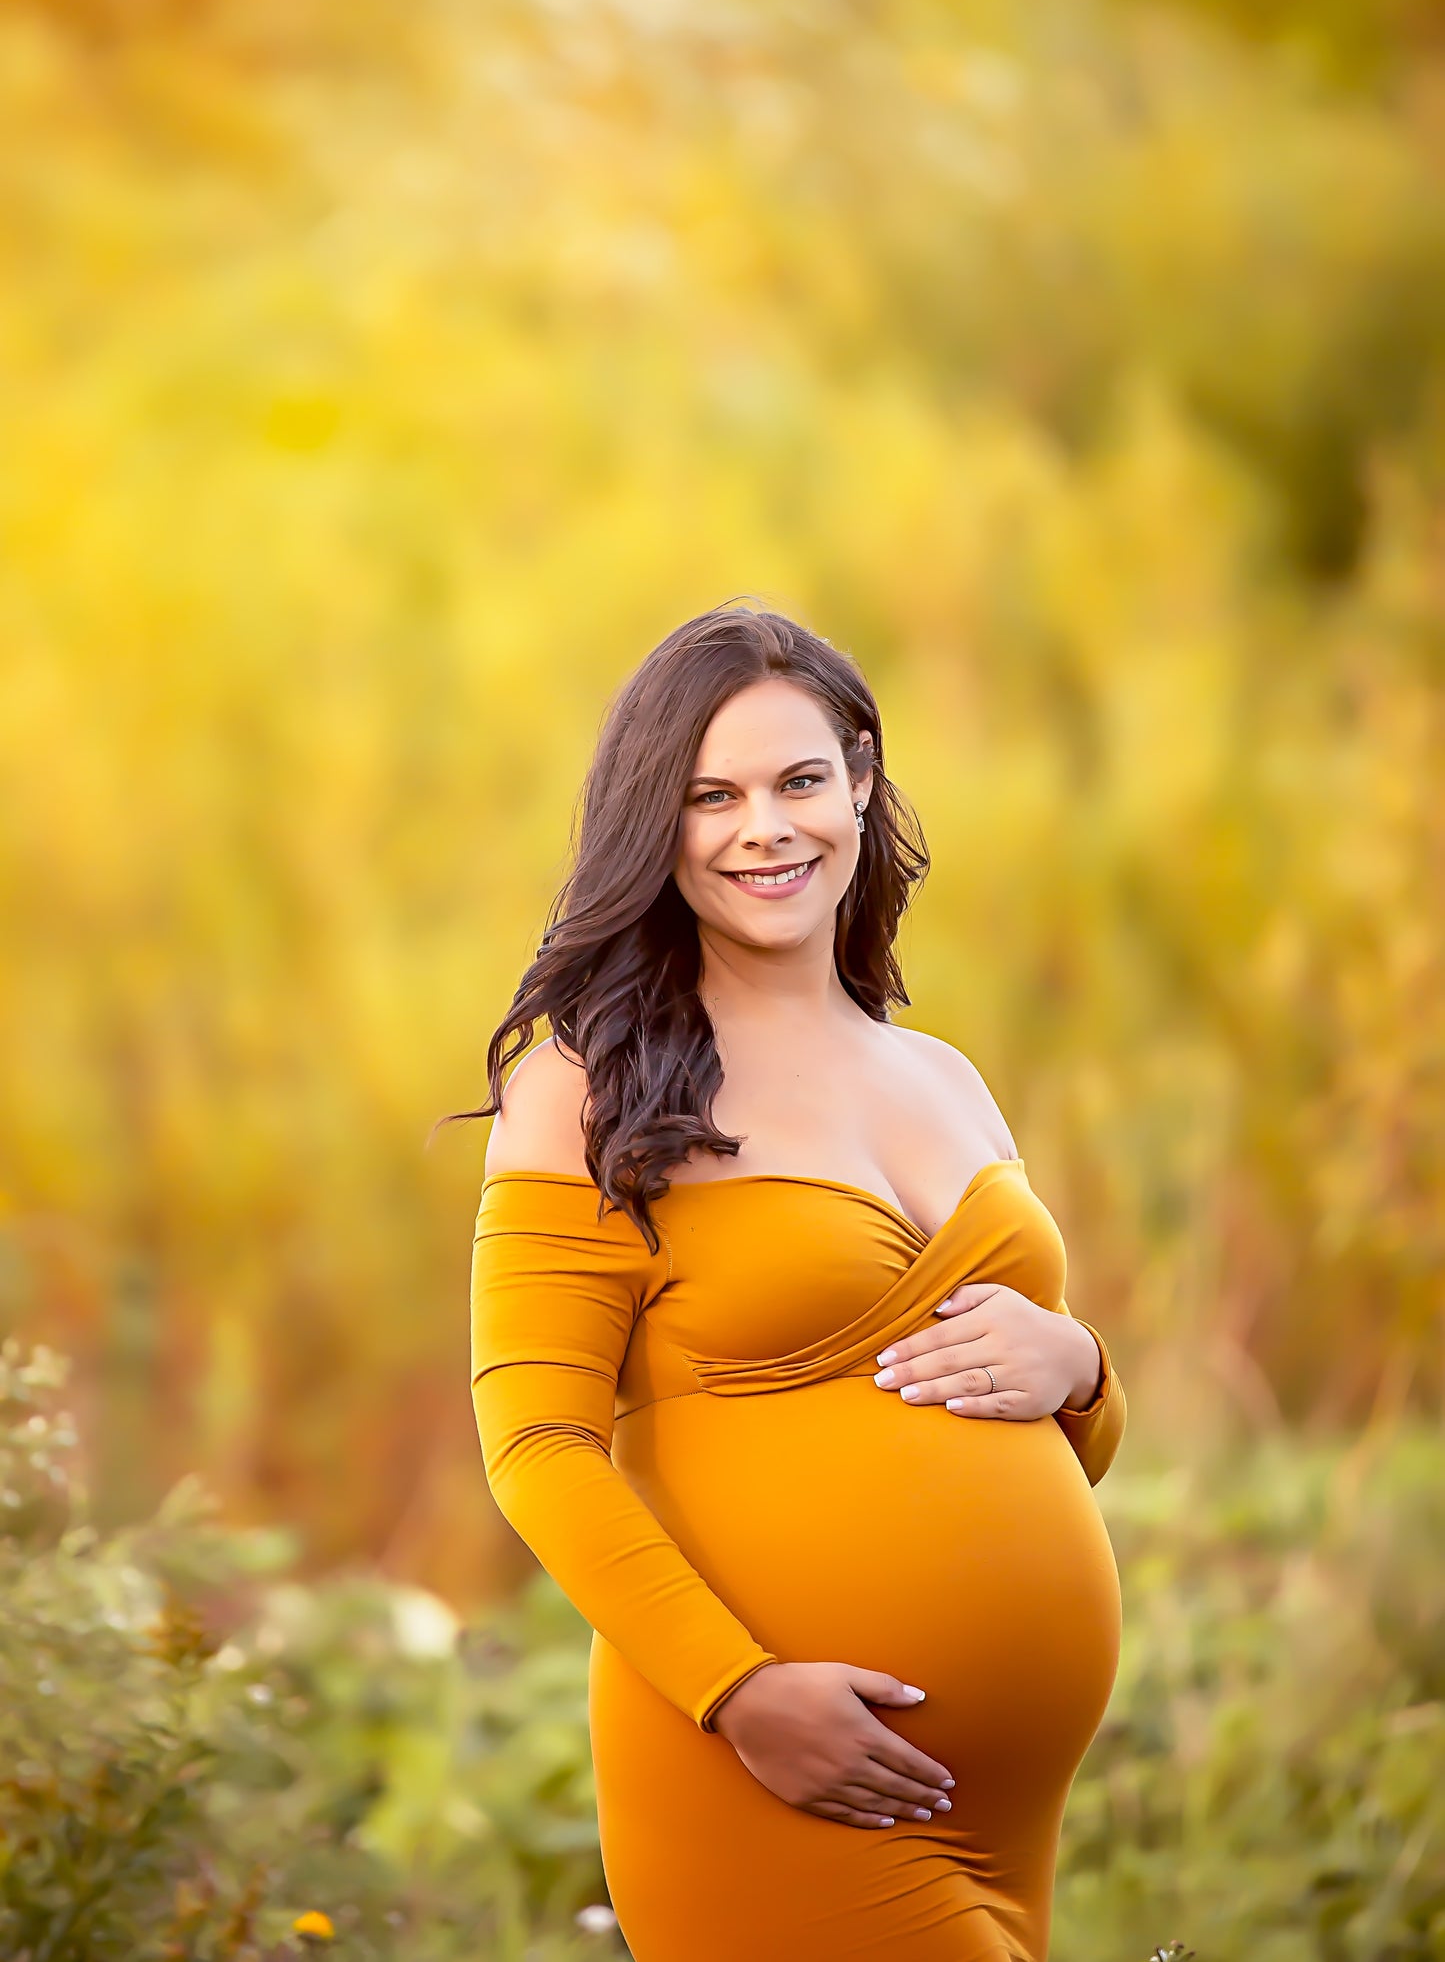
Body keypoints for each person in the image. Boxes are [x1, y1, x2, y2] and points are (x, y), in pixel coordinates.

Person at [466, 604, 1125, 1962]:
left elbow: (1058, 1434)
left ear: (862, 783)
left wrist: (1082, 1369)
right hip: (766, 1767)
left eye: (796, 781)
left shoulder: (938, 1075)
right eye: (710, 797)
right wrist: (738, 1692)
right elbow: (535, 1446)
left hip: (1002, 1814)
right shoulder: (589, 1091)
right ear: (656, 827)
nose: (763, 828)